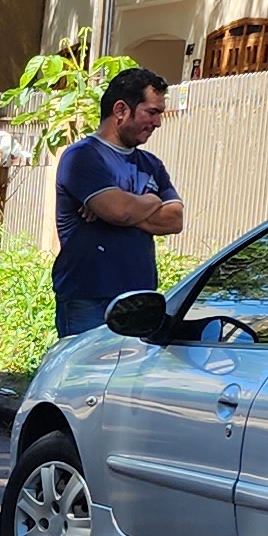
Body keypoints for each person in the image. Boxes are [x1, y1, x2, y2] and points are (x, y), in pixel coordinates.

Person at [52, 67, 184, 338]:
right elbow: (119, 211)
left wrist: (120, 209)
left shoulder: (151, 164)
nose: (158, 123)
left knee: (130, 381)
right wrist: (150, 200)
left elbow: (175, 219)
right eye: (152, 112)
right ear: (121, 110)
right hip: (88, 298)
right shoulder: (82, 157)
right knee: (88, 380)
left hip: (140, 299)